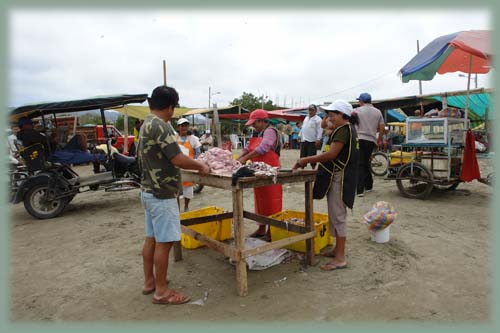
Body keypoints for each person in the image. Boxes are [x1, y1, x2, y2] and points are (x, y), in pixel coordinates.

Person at [137, 85, 209, 305]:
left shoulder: (146, 124)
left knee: (152, 238)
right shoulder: (162, 126)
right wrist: (200, 166)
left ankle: (150, 282)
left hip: (148, 191)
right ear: (170, 107)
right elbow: (177, 159)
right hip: (162, 194)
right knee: (165, 242)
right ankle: (162, 292)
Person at [293, 100, 359, 271]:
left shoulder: (344, 130)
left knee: (338, 216)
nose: (329, 117)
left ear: (342, 115)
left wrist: (306, 160)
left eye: (332, 114)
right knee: (334, 214)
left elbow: (331, 154)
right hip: (338, 175)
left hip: (341, 177)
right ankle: (337, 250)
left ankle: (340, 258)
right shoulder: (344, 129)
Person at [237, 109, 282, 240]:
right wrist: (239, 157)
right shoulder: (258, 132)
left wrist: (245, 158)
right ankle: (262, 229)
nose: (253, 126)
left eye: (255, 123)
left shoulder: (270, 131)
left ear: (262, 121)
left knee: (272, 200)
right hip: (259, 170)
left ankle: (271, 231)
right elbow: (248, 148)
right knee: (260, 200)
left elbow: (263, 148)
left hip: (271, 170)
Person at [353, 93, 385, 197]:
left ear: (361, 101)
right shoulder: (378, 111)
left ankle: (359, 190)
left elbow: (352, 125)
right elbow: (382, 127)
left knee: (360, 164)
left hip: (359, 139)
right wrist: (378, 140)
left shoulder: (356, 111)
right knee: (365, 162)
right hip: (371, 140)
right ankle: (369, 185)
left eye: (359, 101)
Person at [176, 118, 202, 212]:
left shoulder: (193, 139)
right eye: (182, 125)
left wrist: (196, 163)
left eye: (186, 125)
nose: (184, 127)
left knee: (188, 189)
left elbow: (198, 153)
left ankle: (186, 206)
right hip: (176, 167)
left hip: (189, 167)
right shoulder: (174, 138)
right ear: (178, 127)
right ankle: (177, 209)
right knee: (176, 190)